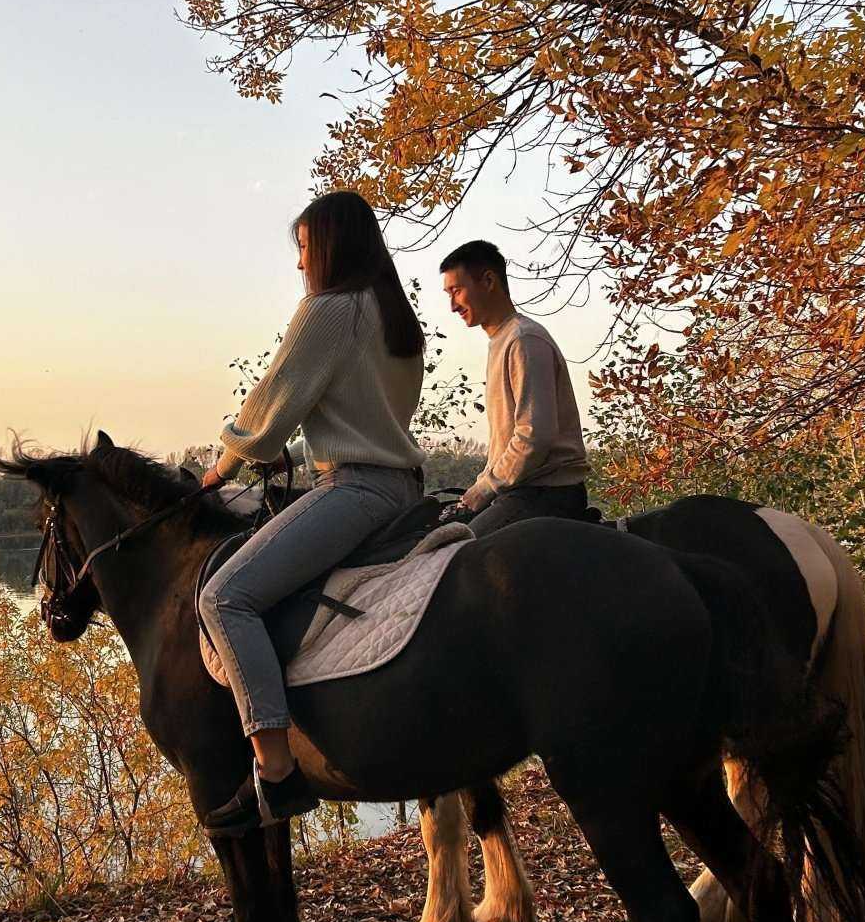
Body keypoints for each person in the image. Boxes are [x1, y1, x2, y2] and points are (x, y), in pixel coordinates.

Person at [198, 191, 426, 835]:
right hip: (404, 489)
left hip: (357, 490)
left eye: (302, 248)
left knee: (225, 599)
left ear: (326, 246)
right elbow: (354, 412)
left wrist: (224, 467)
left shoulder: (328, 310)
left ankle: (274, 770)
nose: (300, 264)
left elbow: (272, 403)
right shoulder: (393, 316)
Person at [439, 239, 589, 535]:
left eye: (457, 291)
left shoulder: (523, 339)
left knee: (458, 555)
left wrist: (485, 488)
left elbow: (534, 436)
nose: (453, 306)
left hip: (545, 494)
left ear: (489, 281)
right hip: (522, 491)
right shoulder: (504, 340)